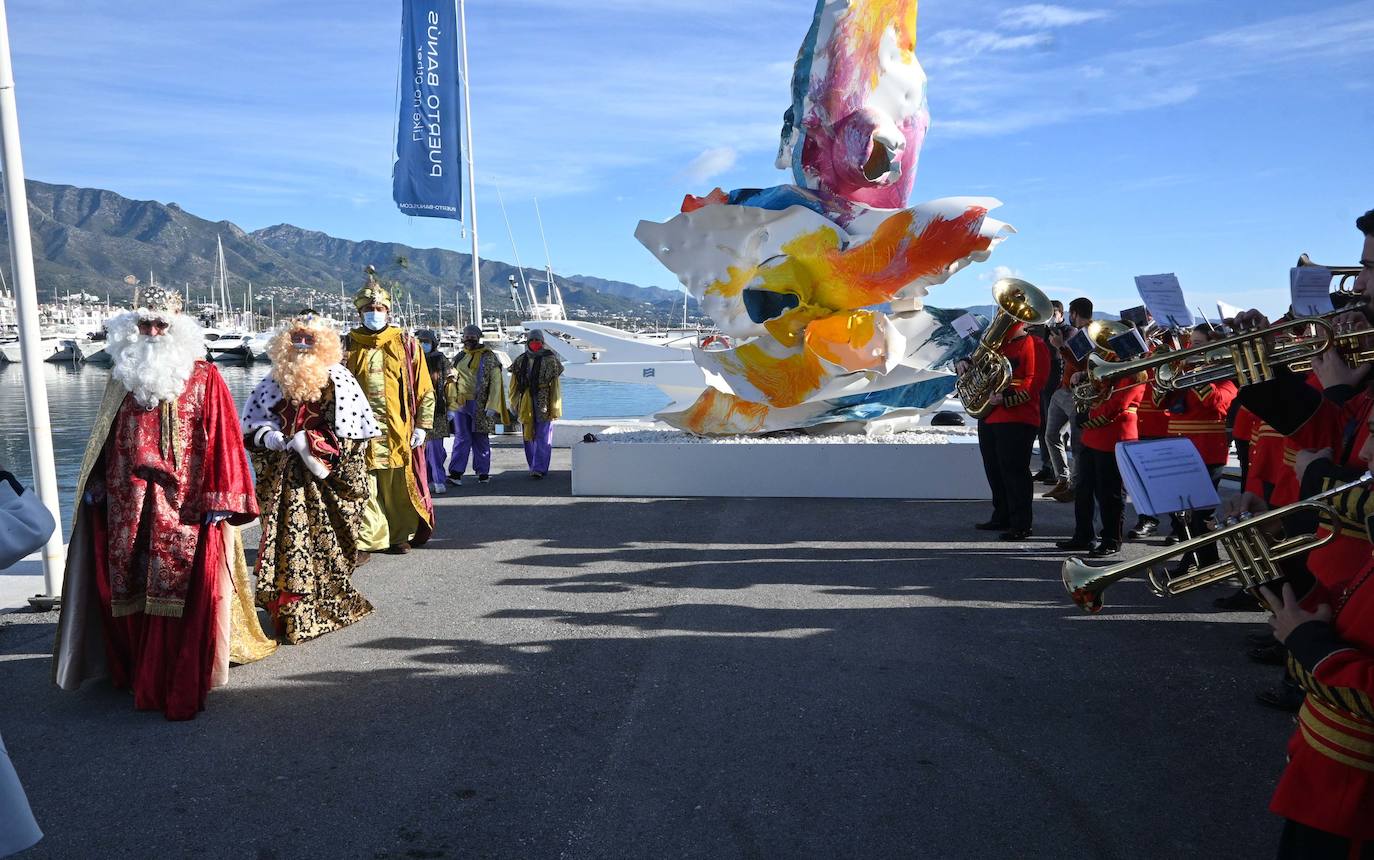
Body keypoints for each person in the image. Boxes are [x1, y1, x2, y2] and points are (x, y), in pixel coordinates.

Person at [51, 287, 275, 720]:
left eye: (161, 324)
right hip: (126, 501)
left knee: (179, 587)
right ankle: (135, 669)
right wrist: (95, 483)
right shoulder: (121, 378)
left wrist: (221, 496)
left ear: (177, 328)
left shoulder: (205, 377)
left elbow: (224, 440)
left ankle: (174, 672)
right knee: (128, 584)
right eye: (144, 324)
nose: (152, 332)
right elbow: (104, 439)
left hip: (184, 504)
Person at [1219, 401, 1374, 856]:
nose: (1364, 454)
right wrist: (1265, 562)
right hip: (1327, 763)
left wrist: (1306, 641)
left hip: (1354, 792)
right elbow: (1348, 612)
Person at [240, 312, 381, 644]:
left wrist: (312, 445)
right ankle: (289, 613)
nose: (302, 346)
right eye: (296, 339)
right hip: (284, 479)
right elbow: (252, 424)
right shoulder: (273, 380)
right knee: (285, 544)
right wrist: (267, 437)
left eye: (310, 340)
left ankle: (321, 603)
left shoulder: (340, 380)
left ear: (325, 344)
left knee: (326, 543)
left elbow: (352, 440)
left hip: (323, 482)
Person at [344, 269, 436, 553]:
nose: (375, 313)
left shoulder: (406, 344)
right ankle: (370, 538)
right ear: (360, 313)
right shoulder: (347, 344)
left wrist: (422, 425)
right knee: (364, 482)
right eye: (369, 309)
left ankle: (399, 534)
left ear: (388, 311)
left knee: (398, 485)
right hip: (358, 429)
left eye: (380, 308)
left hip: (398, 428)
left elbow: (424, 388)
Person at [1056, 321, 1145, 558]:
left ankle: (1111, 539)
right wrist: (1081, 377)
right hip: (1092, 434)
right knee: (1083, 488)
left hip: (1115, 435)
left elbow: (1118, 404)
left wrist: (1088, 415)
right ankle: (1083, 534)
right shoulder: (1109, 365)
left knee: (1111, 492)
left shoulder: (1136, 371)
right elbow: (1094, 388)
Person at [961, 317, 1046, 540]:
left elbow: (1035, 381)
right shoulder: (996, 346)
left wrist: (1007, 397)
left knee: (1015, 471)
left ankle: (1021, 524)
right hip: (990, 414)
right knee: (994, 468)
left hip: (1017, 415)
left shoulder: (1035, 344)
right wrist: (964, 363)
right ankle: (1002, 514)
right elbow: (977, 370)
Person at [1042, 297, 1093, 502]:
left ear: (1073, 313)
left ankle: (1075, 484)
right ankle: (1063, 479)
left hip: (1076, 394)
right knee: (1051, 435)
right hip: (1062, 391)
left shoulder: (1089, 333)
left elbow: (1083, 365)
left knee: (1077, 444)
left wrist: (1061, 347)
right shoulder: (1080, 333)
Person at [447, 324, 507, 485]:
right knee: (461, 437)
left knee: (480, 438)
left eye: (472, 336)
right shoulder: (459, 356)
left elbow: (496, 382)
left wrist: (493, 405)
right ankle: (456, 473)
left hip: (480, 403)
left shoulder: (489, 357)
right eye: (467, 336)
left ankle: (482, 472)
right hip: (460, 403)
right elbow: (452, 379)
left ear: (478, 337)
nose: (469, 339)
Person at [509, 330, 564, 479]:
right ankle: (532, 465)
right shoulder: (520, 360)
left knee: (543, 434)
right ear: (527, 342)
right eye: (532, 340)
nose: (534, 343)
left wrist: (555, 405)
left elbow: (555, 385)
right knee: (528, 434)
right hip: (525, 400)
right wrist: (513, 403)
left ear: (542, 342)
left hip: (544, 400)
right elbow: (514, 384)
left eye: (537, 340)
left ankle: (540, 467)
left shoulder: (550, 359)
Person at [414, 329, 452, 495]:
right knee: (421, 450)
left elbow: (450, 383)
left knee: (436, 449)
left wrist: (452, 406)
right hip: (417, 410)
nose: (423, 344)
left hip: (438, 410)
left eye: (426, 341)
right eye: (420, 341)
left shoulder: (441, 359)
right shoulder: (413, 359)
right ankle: (426, 480)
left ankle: (439, 479)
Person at [1032, 300, 1065, 484]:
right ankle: (1046, 465)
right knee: (1042, 427)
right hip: (1042, 384)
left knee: (1054, 430)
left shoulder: (1065, 331)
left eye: (1054, 313)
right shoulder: (1040, 330)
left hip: (1055, 385)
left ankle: (1056, 470)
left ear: (1061, 314)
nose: (1051, 316)